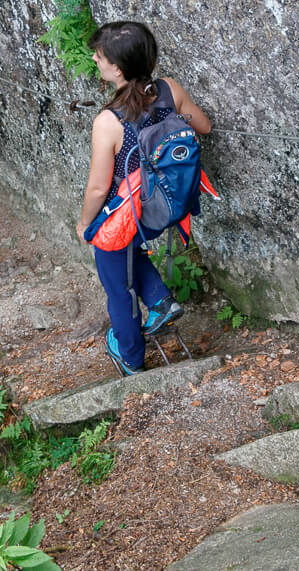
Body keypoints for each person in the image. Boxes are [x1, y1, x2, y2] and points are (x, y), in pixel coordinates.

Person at [75, 21, 212, 375]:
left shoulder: (109, 121)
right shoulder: (169, 90)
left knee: (114, 275)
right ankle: (159, 301)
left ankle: (131, 357)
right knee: (129, 249)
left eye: (100, 55)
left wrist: (86, 223)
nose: (94, 58)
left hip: (134, 214)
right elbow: (205, 127)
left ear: (117, 69)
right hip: (169, 206)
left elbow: (96, 188)